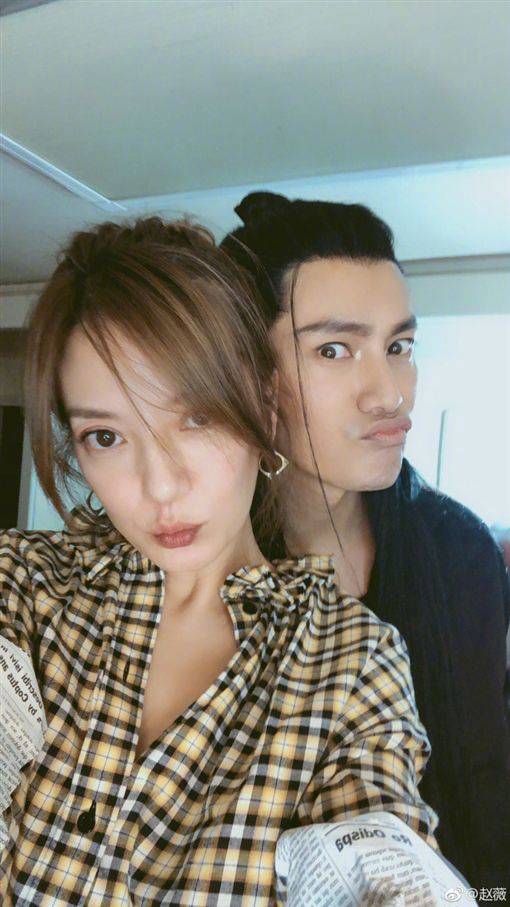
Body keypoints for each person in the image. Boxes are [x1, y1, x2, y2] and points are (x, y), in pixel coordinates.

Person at [0, 216, 443, 904]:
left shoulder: (351, 665)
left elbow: (383, 859)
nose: (161, 486)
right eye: (106, 436)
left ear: (263, 407)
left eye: (196, 417)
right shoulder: (23, 585)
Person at [221, 191, 510, 890]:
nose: (390, 394)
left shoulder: (460, 550)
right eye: (334, 349)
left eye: (398, 347)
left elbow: (484, 778)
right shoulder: (201, 569)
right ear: (247, 375)